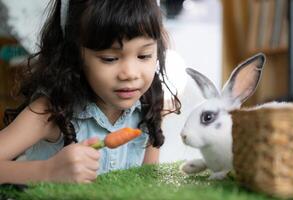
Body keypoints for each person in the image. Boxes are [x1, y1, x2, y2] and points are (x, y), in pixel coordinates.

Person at [0, 0, 181, 184]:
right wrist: (47, 171)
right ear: (75, 54)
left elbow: (147, 187)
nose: (130, 74)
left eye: (144, 56)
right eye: (110, 58)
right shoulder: (49, 111)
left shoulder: (150, 108)